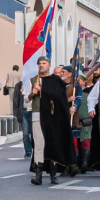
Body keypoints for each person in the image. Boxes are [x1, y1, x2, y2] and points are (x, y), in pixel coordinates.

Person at [26, 57, 74, 185]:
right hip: (37, 115)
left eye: (44, 63)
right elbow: (26, 100)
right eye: (39, 63)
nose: (41, 65)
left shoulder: (55, 81)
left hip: (52, 116)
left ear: (49, 65)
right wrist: (33, 93)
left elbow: (59, 97)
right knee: (39, 145)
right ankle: (38, 175)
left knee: (53, 143)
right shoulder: (33, 80)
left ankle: (53, 174)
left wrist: (43, 90)